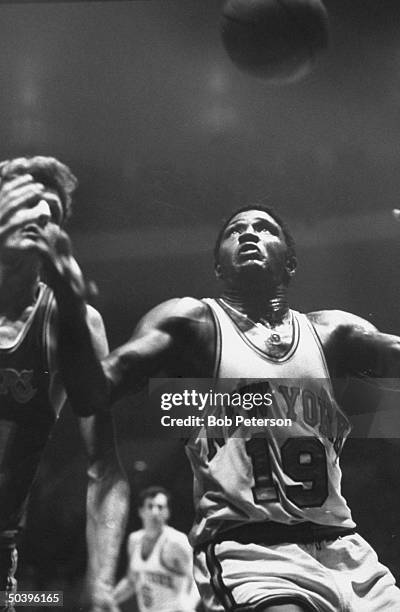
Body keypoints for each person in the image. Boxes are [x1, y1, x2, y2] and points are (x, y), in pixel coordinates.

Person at [41, 204, 400, 612]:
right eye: (235, 231)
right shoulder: (192, 325)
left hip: (344, 550)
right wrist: (70, 307)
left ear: (291, 264)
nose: (249, 234)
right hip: (251, 554)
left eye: (265, 229)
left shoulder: (332, 332)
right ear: (218, 267)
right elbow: (92, 393)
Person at [0, 156, 129, 612]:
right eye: (28, 202)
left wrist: (101, 581)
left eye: (52, 212)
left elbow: (106, 466)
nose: (41, 216)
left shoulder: (68, 319)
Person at [113, 486, 199, 612]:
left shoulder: (176, 541)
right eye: (150, 506)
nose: (155, 512)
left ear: (167, 512)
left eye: (160, 507)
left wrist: (189, 605)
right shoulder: (134, 540)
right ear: (141, 511)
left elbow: (198, 577)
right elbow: (131, 581)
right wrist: (109, 600)